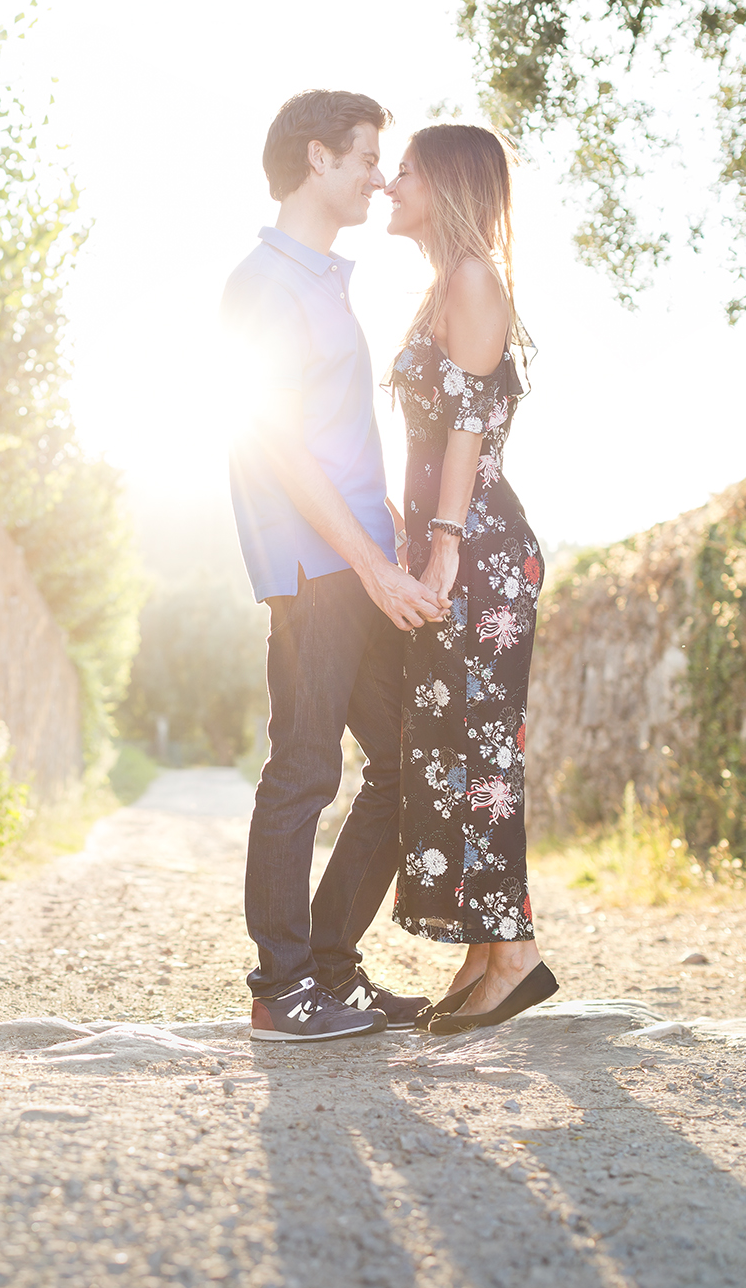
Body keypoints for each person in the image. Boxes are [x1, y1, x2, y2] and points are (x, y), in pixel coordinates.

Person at [222, 90, 447, 1043]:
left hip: (357, 560)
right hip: (318, 570)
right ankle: (282, 988)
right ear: (317, 160)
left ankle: (328, 966)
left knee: (402, 764)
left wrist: (388, 524)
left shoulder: (320, 280)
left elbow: (335, 434)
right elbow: (276, 442)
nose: (378, 175)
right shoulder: (264, 285)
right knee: (304, 771)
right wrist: (371, 561)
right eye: (365, 158)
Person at [382, 124, 558, 1031]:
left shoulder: (473, 277)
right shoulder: (447, 283)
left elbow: (465, 427)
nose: (388, 183)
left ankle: (514, 955)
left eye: (404, 169)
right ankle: (486, 952)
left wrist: (442, 541)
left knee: (484, 756)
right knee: (455, 752)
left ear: (444, 180)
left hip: (480, 551)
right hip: (457, 549)